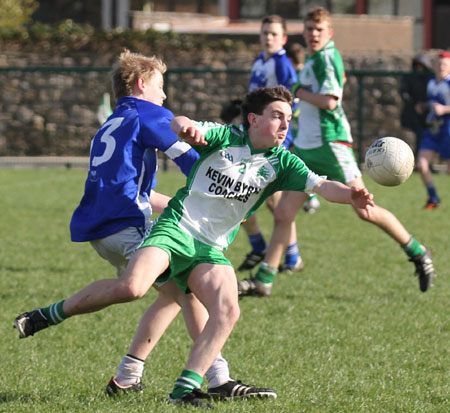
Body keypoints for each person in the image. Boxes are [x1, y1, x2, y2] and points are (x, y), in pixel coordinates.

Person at [15, 85, 375, 407]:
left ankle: (183, 390)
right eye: (277, 116)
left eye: (288, 118)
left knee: (228, 310)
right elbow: (183, 123)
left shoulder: (282, 163)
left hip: (209, 248)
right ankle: (49, 314)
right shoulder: (227, 136)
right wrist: (186, 127)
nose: (285, 125)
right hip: (175, 229)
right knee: (133, 288)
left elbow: (323, 186)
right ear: (252, 119)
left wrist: (353, 195)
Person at [14, 49, 274, 404]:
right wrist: (230, 190)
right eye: (160, 86)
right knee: (186, 293)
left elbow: (135, 187)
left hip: (101, 224)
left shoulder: (112, 121)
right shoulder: (151, 114)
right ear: (141, 84)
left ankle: (126, 376)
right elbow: (192, 159)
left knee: (170, 295)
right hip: (126, 222)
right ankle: (217, 378)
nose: (164, 95)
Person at [238, 7, 436, 298]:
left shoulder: (328, 57)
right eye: (309, 29)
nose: (313, 34)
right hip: (307, 145)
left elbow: (330, 101)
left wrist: (297, 91)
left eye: (319, 30)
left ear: (329, 33)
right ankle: (264, 279)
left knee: (364, 209)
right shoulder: (316, 60)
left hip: (331, 144)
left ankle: (418, 252)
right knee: (283, 212)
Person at [239, 14, 309, 274]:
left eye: (273, 34)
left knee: (245, 191)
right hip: (254, 135)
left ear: (283, 38)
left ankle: (264, 249)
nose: (268, 37)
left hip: (272, 142)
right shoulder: (260, 61)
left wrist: (281, 138)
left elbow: (291, 106)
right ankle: (290, 256)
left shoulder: (282, 65)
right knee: (269, 200)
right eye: (265, 32)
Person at [285, 40, 321, 215]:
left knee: (296, 163)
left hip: (298, 127)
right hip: (302, 127)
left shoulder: (295, 76)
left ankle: (312, 197)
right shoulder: (307, 70)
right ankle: (311, 197)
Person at [416, 50, 450, 210]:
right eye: (439, 64)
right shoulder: (431, 82)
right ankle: (433, 198)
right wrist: (424, 106)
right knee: (422, 165)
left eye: (445, 65)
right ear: (434, 66)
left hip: (448, 130)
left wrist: (444, 110)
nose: (441, 67)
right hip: (433, 129)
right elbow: (433, 103)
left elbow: (442, 106)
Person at [400, 53, 433, 156]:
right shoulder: (409, 78)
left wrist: (425, 105)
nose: (419, 68)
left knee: (426, 137)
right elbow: (404, 92)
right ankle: (419, 159)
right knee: (419, 135)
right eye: (417, 66)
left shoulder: (430, 78)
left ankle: (424, 160)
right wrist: (414, 104)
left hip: (428, 113)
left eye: (422, 66)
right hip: (413, 114)